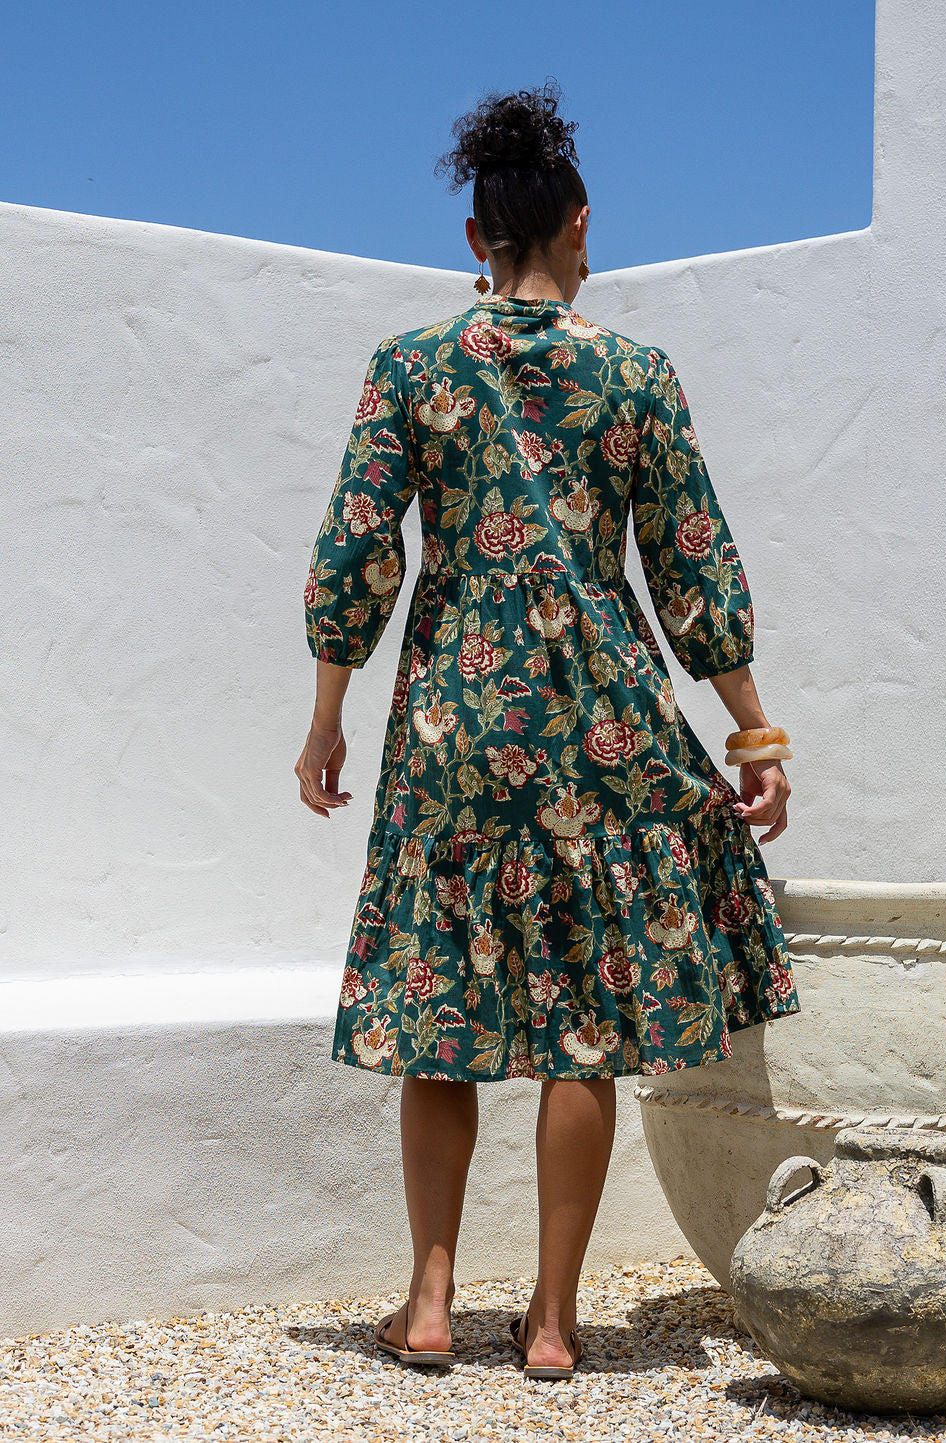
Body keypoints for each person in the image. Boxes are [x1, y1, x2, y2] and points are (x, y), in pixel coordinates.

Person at [295, 80, 800, 1380]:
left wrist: (328, 715)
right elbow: (692, 559)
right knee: (584, 1017)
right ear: (581, 227)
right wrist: (752, 732)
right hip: (601, 729)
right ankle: (555, 1322)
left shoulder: (409, 368)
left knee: (443, 1004)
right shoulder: (632, 374)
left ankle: (425, 1298)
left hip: (453, 726)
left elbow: (358, 553)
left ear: (475, 239)